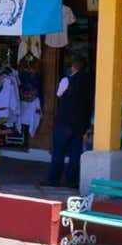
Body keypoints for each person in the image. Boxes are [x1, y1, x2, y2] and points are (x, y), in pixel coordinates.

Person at [42, 55, 92, 188]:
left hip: (64, 121)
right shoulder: (89, 83)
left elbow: (59, 94)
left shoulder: (66, 80)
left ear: (73, 67)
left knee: (58, 151)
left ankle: (54, 179)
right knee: (75, 153)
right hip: (79, 123)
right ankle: (71, 181)